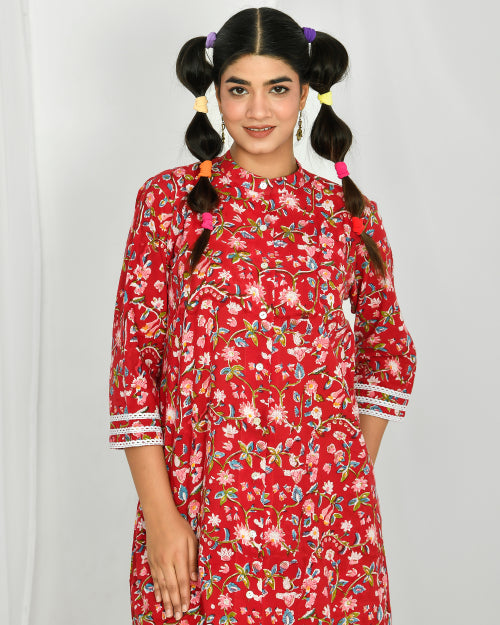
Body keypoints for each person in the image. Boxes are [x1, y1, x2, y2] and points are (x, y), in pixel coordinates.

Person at [108, 7, 417, 625]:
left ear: (305, 93)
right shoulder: (168, 203)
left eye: (277, 88)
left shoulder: (346, 214)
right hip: (200, 516)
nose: (257, 110)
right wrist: (162, 518)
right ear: (214, 94)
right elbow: (134, 368)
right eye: (238, 89)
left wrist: (344, 478)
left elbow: (388, 354)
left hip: (326, 531)